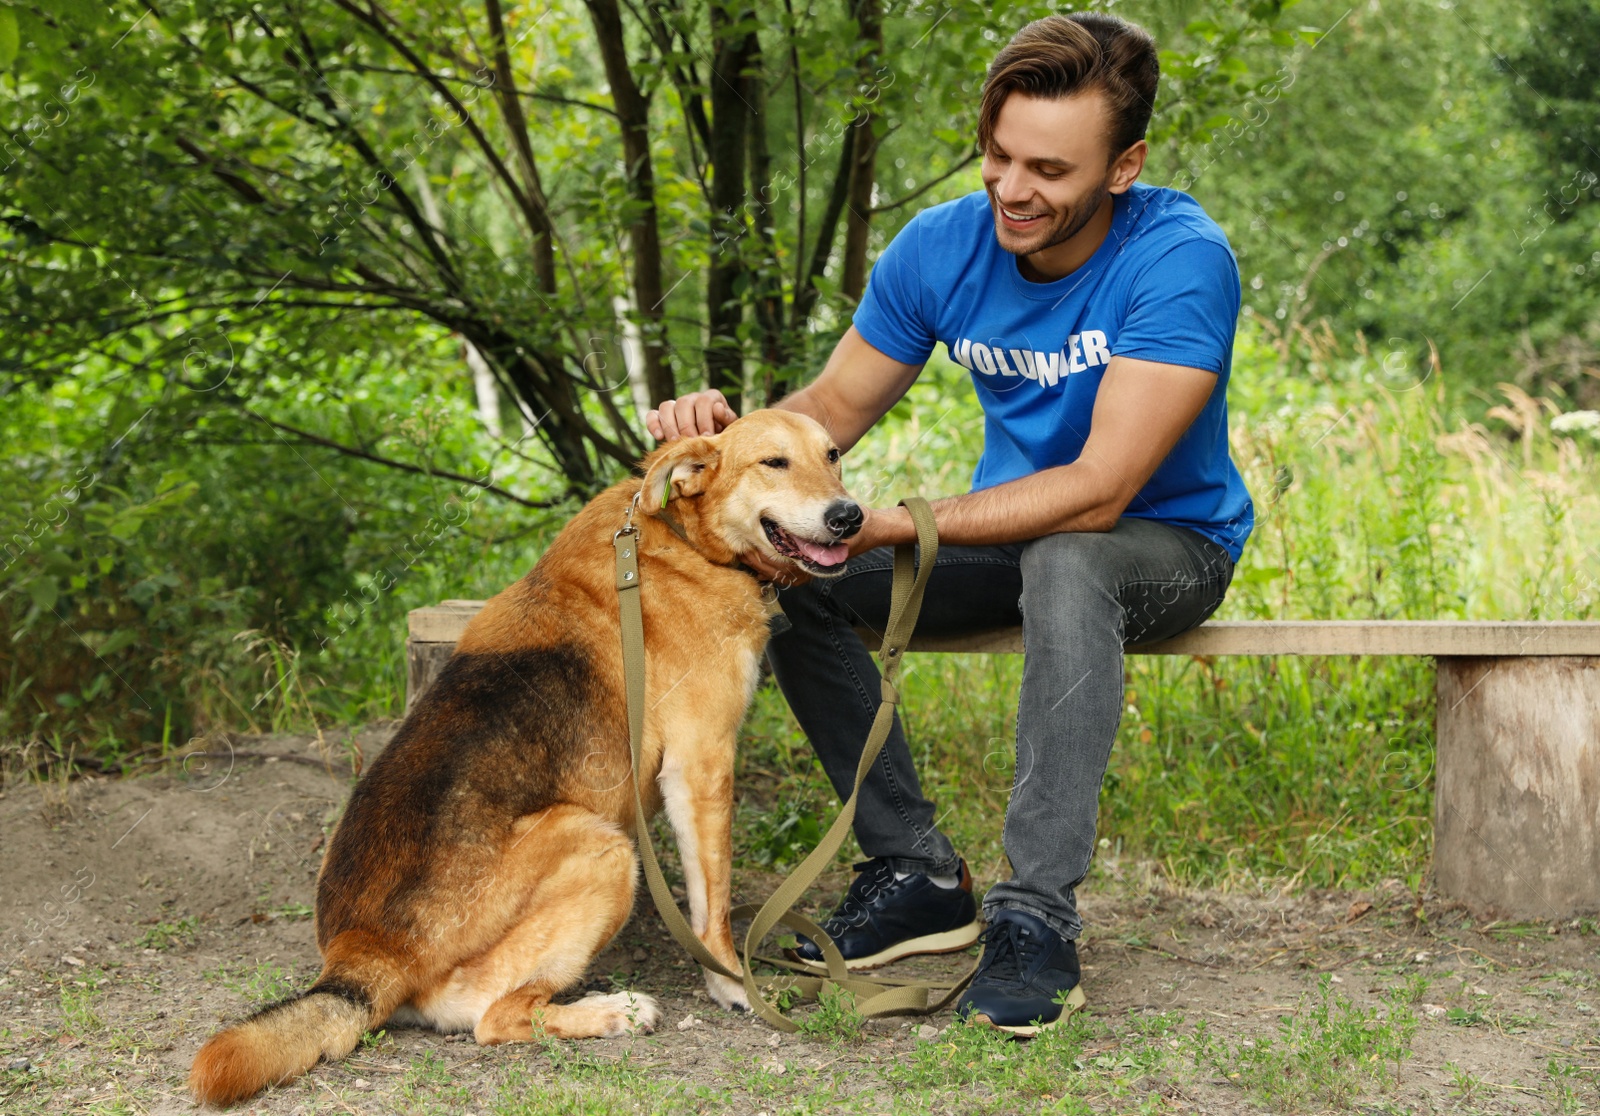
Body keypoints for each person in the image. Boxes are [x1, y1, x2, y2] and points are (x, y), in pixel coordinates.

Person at [646, 11, 1252, 1033]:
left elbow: (1102, 487)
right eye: (998, 156)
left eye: (1049, 171)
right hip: (1007, 539)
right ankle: (916, 872)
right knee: (793, 580)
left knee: (1068, 555)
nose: (1013, 190)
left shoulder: (1181, 260)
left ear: (1123, 165)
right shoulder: (941, 247)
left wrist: (894, 521)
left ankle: (1036, 915)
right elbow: (827, 416)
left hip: (1162, 546)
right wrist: (727, 446)